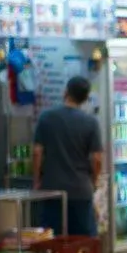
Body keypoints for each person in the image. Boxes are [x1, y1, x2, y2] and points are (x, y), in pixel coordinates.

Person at [33, 75, 103, 236]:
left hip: (52, 190)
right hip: (81, 190)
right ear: (85, 98)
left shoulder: (46, 117)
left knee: (53, 240)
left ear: (66, 92)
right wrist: (93, 181)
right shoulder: (91, 122)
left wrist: (37, 180)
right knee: (82, 242)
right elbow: (97, 158)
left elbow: (37, 152)